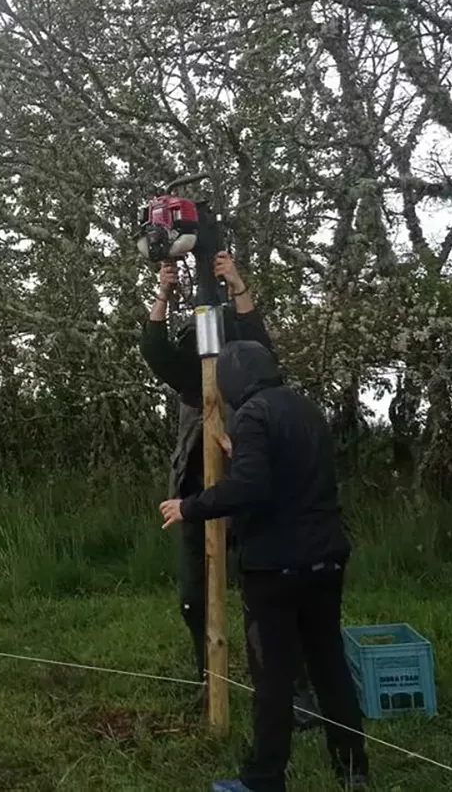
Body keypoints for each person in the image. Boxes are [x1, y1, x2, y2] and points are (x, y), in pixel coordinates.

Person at [160, 340, 368, 792]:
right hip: (327, 559)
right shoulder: (305, 409)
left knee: (271, 680)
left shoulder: (252, 414)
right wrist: (240, 449)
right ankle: (353, 771)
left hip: (276, 568)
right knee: (329, 666)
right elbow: (289, 471)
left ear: (234, 381)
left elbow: (250, 487)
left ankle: (262, 780)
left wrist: (189, 506)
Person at [140, 252, 320, 726]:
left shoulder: (253, 377)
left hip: (251, 502)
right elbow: (154, 348)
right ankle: (209, 680)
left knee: (273, 598)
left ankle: (297, 693)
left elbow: (258, 336)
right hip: (196, 502)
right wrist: (163, 291)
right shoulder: (186, 376)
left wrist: (236, 282)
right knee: (193, 599)